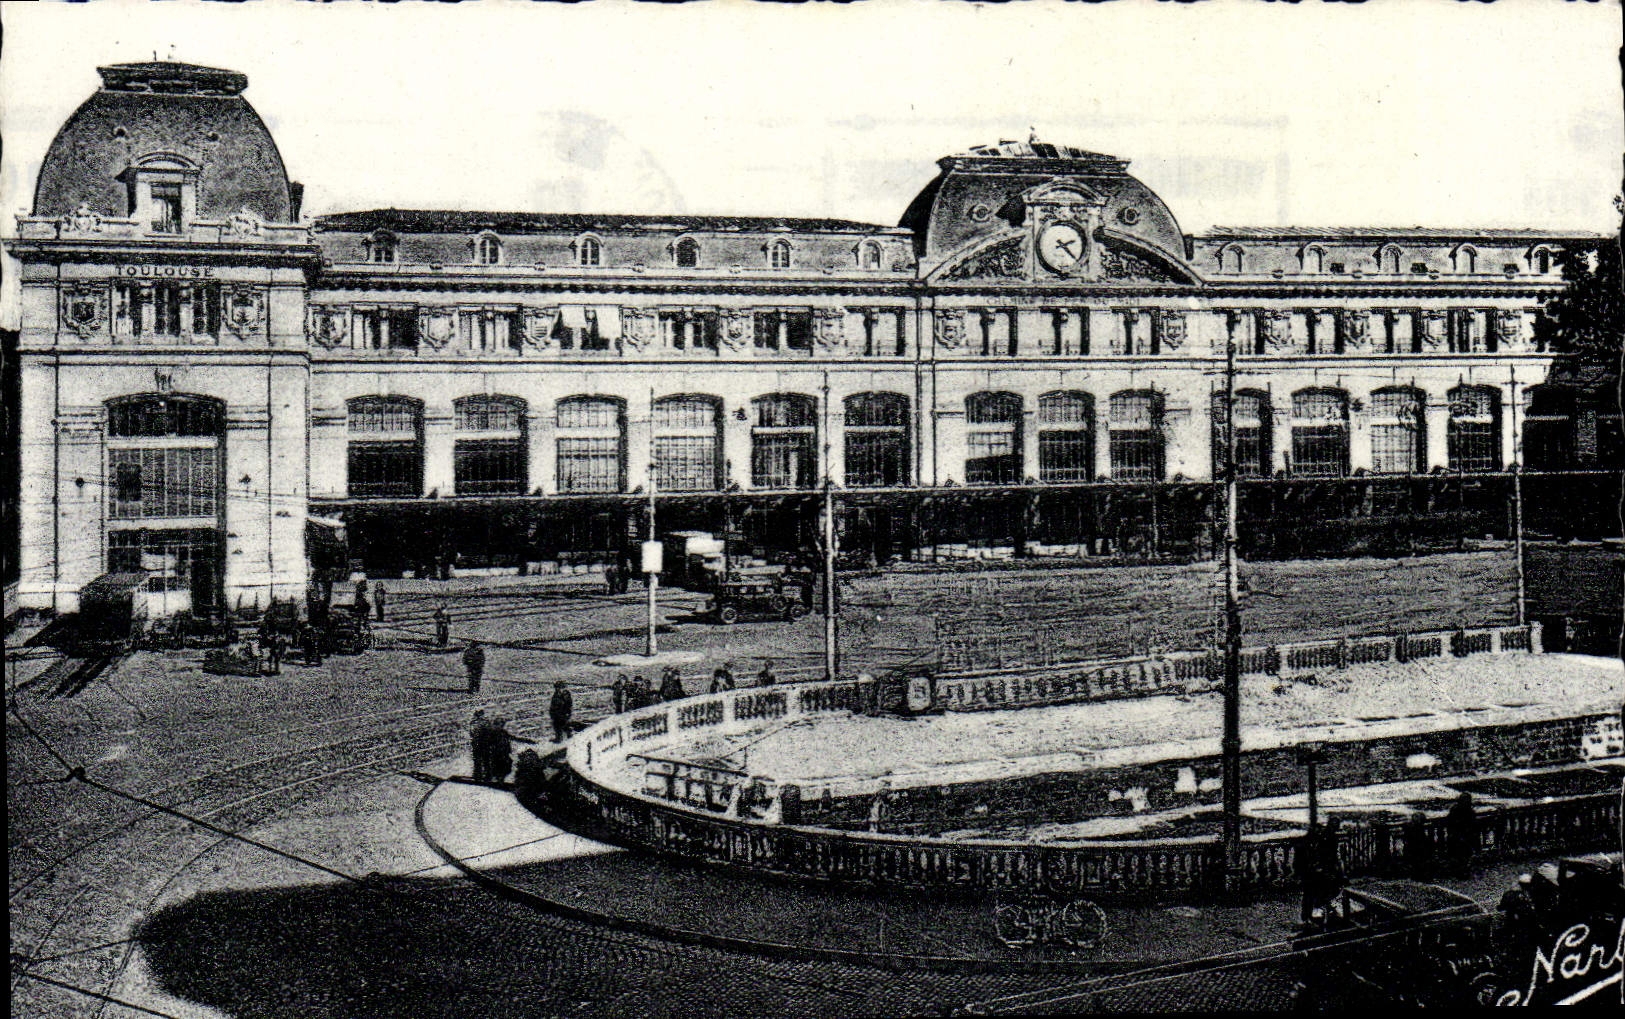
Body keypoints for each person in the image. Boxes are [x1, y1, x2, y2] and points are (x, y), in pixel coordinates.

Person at [1445, 791, 1478, 876]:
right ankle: (1460, 870)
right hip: (1457, 837)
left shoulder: (1469, 812)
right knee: (1460, 854)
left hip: (1465, 837)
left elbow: (1473, 825)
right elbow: (1450, 824)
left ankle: (1462, 870)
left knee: (1463, 855)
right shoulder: (1456, 811)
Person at [469, 709, 491, 782]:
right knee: (486, 760)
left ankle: (477, 775)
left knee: (477, 760)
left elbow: (471, 733)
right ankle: (487, 775)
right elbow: (489, 733)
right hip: (485, 743)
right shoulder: (486, 722)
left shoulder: (473, 723)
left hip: (476, 743)